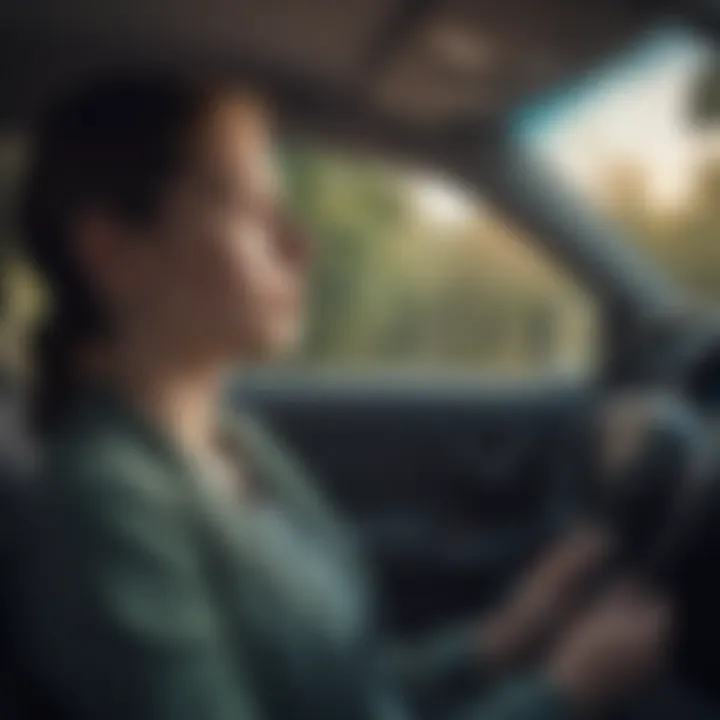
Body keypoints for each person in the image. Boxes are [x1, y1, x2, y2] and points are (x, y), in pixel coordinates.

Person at [12, 75, 670, 720]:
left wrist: (505, 635)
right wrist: (563, 692)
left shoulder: (231, 440)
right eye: (247, 207)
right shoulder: (108, 506)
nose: (299, 246)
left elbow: (348, 685)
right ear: (111, 251)